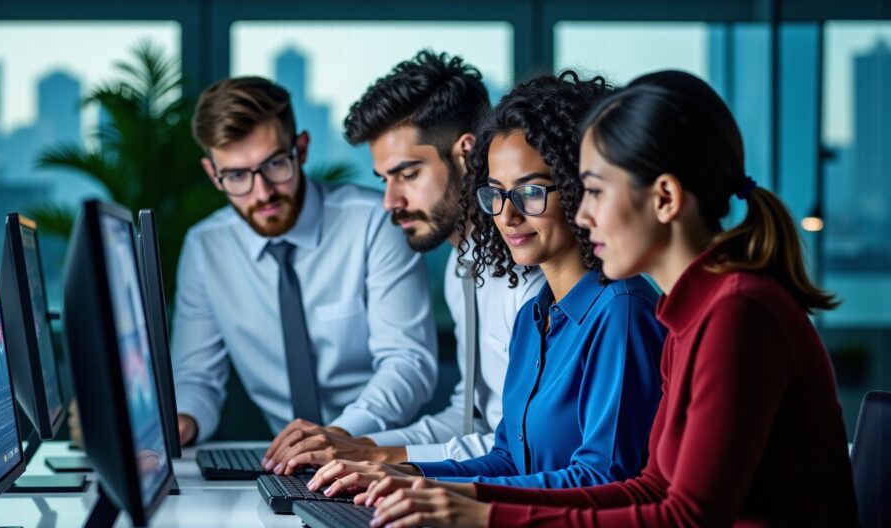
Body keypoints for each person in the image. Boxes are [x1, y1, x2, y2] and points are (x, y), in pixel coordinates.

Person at [351, 70, 871, 528]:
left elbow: (685, 525)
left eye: (595, 191)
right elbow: (648, 488)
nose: (585, 215)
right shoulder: (691, 310)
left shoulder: (737, 312)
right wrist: (459, 494)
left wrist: (485, 520)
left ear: (664, 199)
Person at [308, 72, 666, 492]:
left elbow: (605, 478)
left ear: (578, 187)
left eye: (530, 192)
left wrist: (447, 492)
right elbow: (507, 456)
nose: (507, 216)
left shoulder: (620, 309)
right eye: (495, 193)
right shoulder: (536, 317)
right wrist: (404, 474)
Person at [260, 50, 542, 475]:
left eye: (408, 175)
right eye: (384, 180)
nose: (390, 202)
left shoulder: (534, 273)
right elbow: (470, 421)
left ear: (467, 155)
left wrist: (380, 458)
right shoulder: (461, 266)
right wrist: (352, 444)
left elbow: (527, 447)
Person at [170, 76, 438, 446]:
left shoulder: (374, 222)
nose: (262, 193)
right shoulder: (205, 248)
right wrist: (180, 422)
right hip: (285, 460)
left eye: (275, 164)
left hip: (379, 450)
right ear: (213, 175)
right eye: (236, 176)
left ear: (302, 149)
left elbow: (408, 361)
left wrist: (341, 435)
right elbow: (196, 377)